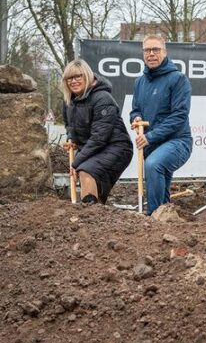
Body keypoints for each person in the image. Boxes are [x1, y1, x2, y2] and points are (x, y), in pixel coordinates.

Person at [130, 34, 192, 215]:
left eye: (155, 50)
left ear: (164, 52)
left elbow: (179, 116)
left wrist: (149, 136)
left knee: (153, 164)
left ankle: (153, 218)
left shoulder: (178, 79)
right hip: (152, 144)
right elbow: (135, 110)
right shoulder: (139, 82)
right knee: (160, 187)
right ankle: (164, 219)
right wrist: (135, 118)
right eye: (147, 50)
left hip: (177, 142)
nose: (151, 54)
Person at [62, 59, 133, 204]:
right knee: (87, 174)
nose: (73, 81)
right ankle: (96, 214)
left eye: (78, 77)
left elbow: (99, 137)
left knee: (86, 171)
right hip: (93, 148)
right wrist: (71, 138)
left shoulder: (103, 99)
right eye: (69, 78)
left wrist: (75, 163)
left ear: (87, 76)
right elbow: (70, 125)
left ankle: (90, 215)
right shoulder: (69, 101)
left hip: (116, 147)